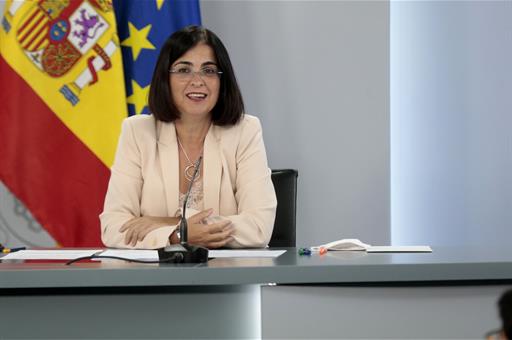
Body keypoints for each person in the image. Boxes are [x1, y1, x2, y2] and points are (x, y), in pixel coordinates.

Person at [100, 26, 277, 249]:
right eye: (184, 70)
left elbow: (259, 228)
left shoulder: (245, 131)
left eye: (209, 70)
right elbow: (113, 228)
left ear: (222, 82)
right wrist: (177, 236)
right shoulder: (137, 132)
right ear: (165, 78)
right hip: (151, 279)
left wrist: (172, 225)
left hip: (228, 277)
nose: (197, 80)